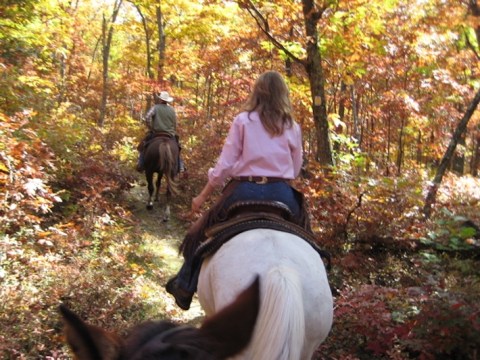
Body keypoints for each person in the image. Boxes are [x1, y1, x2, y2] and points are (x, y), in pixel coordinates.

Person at [166, 70, 311, 310]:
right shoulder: (292, 126)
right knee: (307, 234)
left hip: (244, 190)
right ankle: (324, 275)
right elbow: (295, 170)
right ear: (282, 95)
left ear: (258, 92)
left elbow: (225, 165)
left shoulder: (243, 120)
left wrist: (202, 196)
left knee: (197, 233)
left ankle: (184, 284)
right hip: (282, 192)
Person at [136, 91, 185, 173]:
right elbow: (175, 123)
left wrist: (151, 127)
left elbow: (147, 118)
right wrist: (172, 130)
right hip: (169, 134)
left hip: (156, 133)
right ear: (167, 100)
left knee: (143, 145)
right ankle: (180, 165)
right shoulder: (172, 110)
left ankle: (140, 163)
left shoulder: (155, 107)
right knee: (177, 147)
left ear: (160, 99)